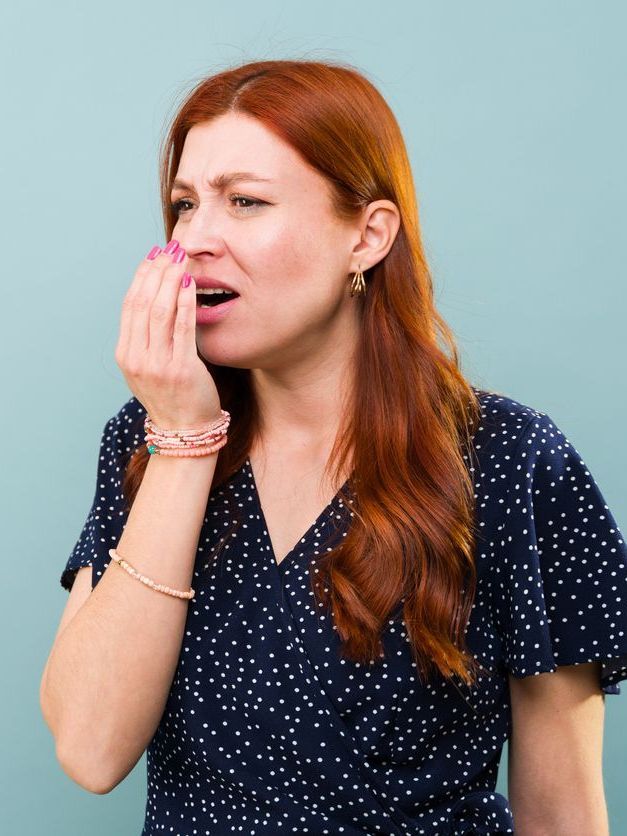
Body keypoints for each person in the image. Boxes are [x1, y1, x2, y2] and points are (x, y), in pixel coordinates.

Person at [40, 59, 627, 835]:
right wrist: (184, 442)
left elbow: (561, 814)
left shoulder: (512, 460)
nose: (195, 240)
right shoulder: (149, 433)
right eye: (184, 205)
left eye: (244, 202)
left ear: (367, 234)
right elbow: (90, 749)